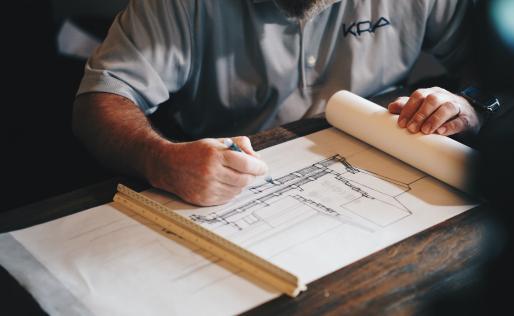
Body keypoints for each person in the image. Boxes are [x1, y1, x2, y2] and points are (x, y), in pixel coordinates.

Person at [73, 0, 482, 206]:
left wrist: (469, 106)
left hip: (390, 171)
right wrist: (159, 159)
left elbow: (506, 69)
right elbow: (100, 101)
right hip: (229, 179)